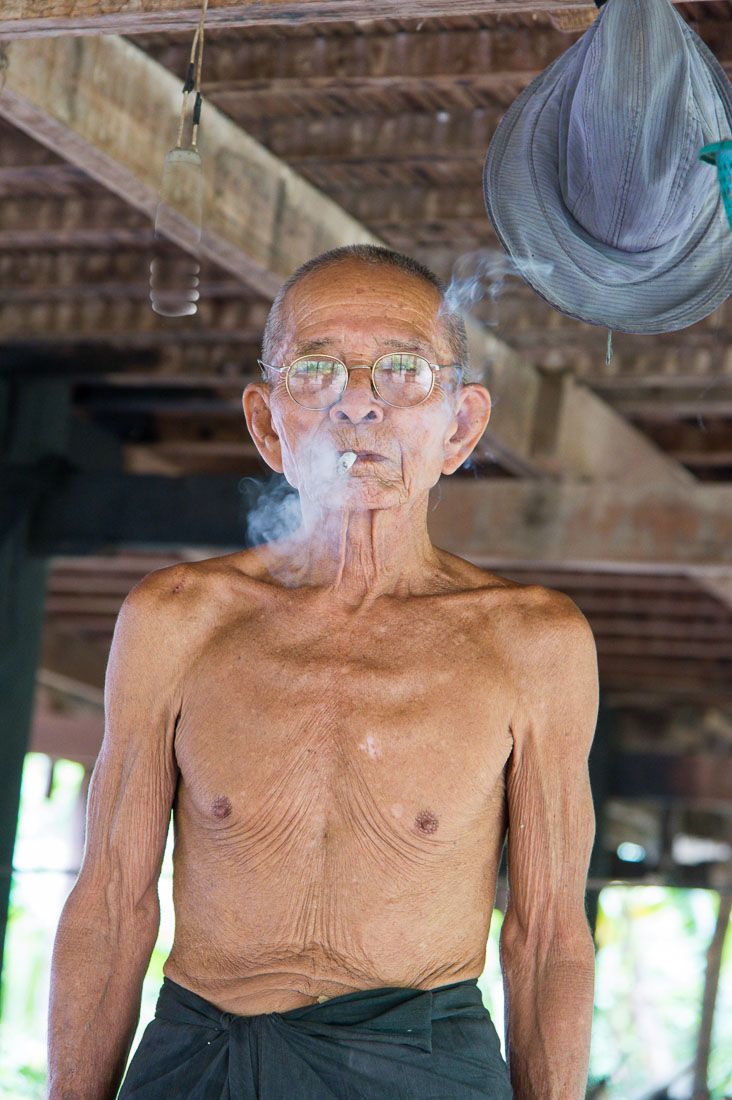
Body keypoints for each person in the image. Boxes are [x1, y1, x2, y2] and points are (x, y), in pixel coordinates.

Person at [47, 244, 599, 1100]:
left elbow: (550, 934)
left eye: (402, 371)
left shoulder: (533, 643)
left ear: (460, 426)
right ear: (268, 425)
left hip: (419, 1067)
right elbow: (112, 902)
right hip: (203, 1057)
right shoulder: (179, 618)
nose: (358, 404)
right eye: (316, 370)